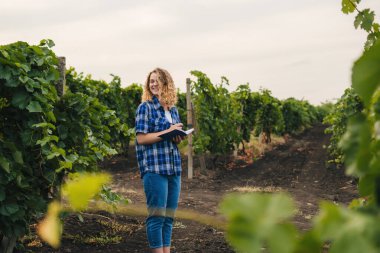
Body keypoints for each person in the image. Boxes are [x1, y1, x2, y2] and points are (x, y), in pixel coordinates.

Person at [135, 67, 184, 253]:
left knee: (169, 217)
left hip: (173, 167)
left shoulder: (174, 110)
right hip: (154, 168)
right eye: (151, 81)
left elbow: (171, 140)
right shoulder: (145, 108)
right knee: (157, 216)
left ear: (166, 83)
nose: (153, 84)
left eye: (157, 80)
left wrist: (177, 136)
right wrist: (168, 132)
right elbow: (141, 139)